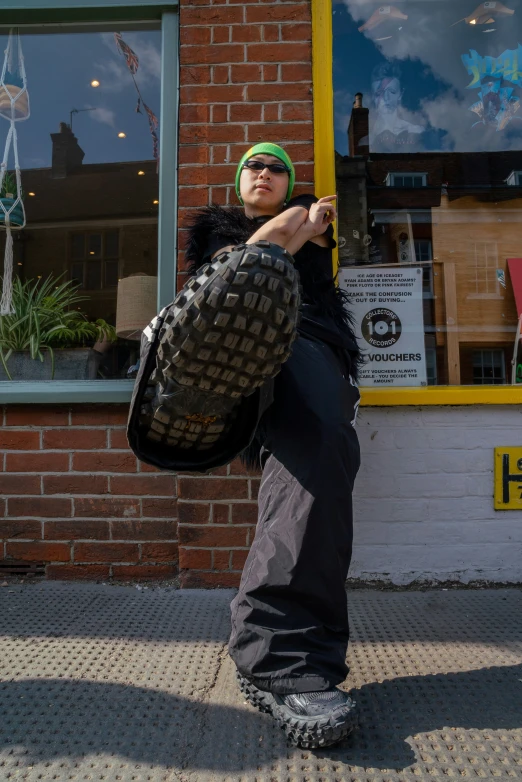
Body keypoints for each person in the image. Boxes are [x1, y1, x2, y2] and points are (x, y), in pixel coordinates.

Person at [128, 143, 362, 749]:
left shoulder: (308, 220)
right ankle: (281, 653)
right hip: (225, 341)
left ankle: (283, 655)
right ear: (239, 181)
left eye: (275, 167)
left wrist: (299, 224)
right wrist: (293, 227)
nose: (263, 172)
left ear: (288, 181)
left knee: (320, 452)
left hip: (304, 341)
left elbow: (273, 252)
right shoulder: (218, 228)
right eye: (252, 166)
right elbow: (237, 274)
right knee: (243, 275)